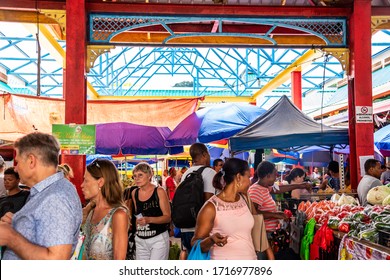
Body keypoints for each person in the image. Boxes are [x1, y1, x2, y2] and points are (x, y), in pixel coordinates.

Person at [0, 132, 82, 260]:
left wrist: (11, 237)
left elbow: (56, 260)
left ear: (31, 161)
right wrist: (18, 224)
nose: (16, 169)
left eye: (18, 162)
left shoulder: (56, 198)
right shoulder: (48, 191)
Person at [192, 158, 274, 260]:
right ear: (239, 177)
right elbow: (195, 243)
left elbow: (258, 228)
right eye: (248, 177)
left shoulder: (245, 199)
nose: (250, 181)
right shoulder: (211, 207)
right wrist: (211, 240)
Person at [81, 159, 129, 260]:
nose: (82, 185)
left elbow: (119, 260)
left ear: (100, 182)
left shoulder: (118, 214)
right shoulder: (91, 212)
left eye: (86, 180)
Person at [248, 161, 311, 235]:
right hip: (263, 234)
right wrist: (274, 215)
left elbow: (278, 189)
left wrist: (300, 185)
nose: (276, 177)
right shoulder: (256, 190)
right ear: (268, 176)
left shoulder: (265, 187)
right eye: (275, 175)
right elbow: (253, 213)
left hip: (269, 232)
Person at [179, 143, 216, 259]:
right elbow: (208, 201)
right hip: (201, 230)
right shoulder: (209, 173)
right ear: (205, 154)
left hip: (185, 228)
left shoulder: (186, 173)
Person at [131, 162, 171, 260]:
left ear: (149, 175)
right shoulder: (134, 193)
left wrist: (149, 220)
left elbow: (167, 217)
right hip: (141, 238)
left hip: (158, 238)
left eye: (140, 175)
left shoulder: (159, 191)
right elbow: (137, 212)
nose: (137, 178)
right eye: (135, 176)